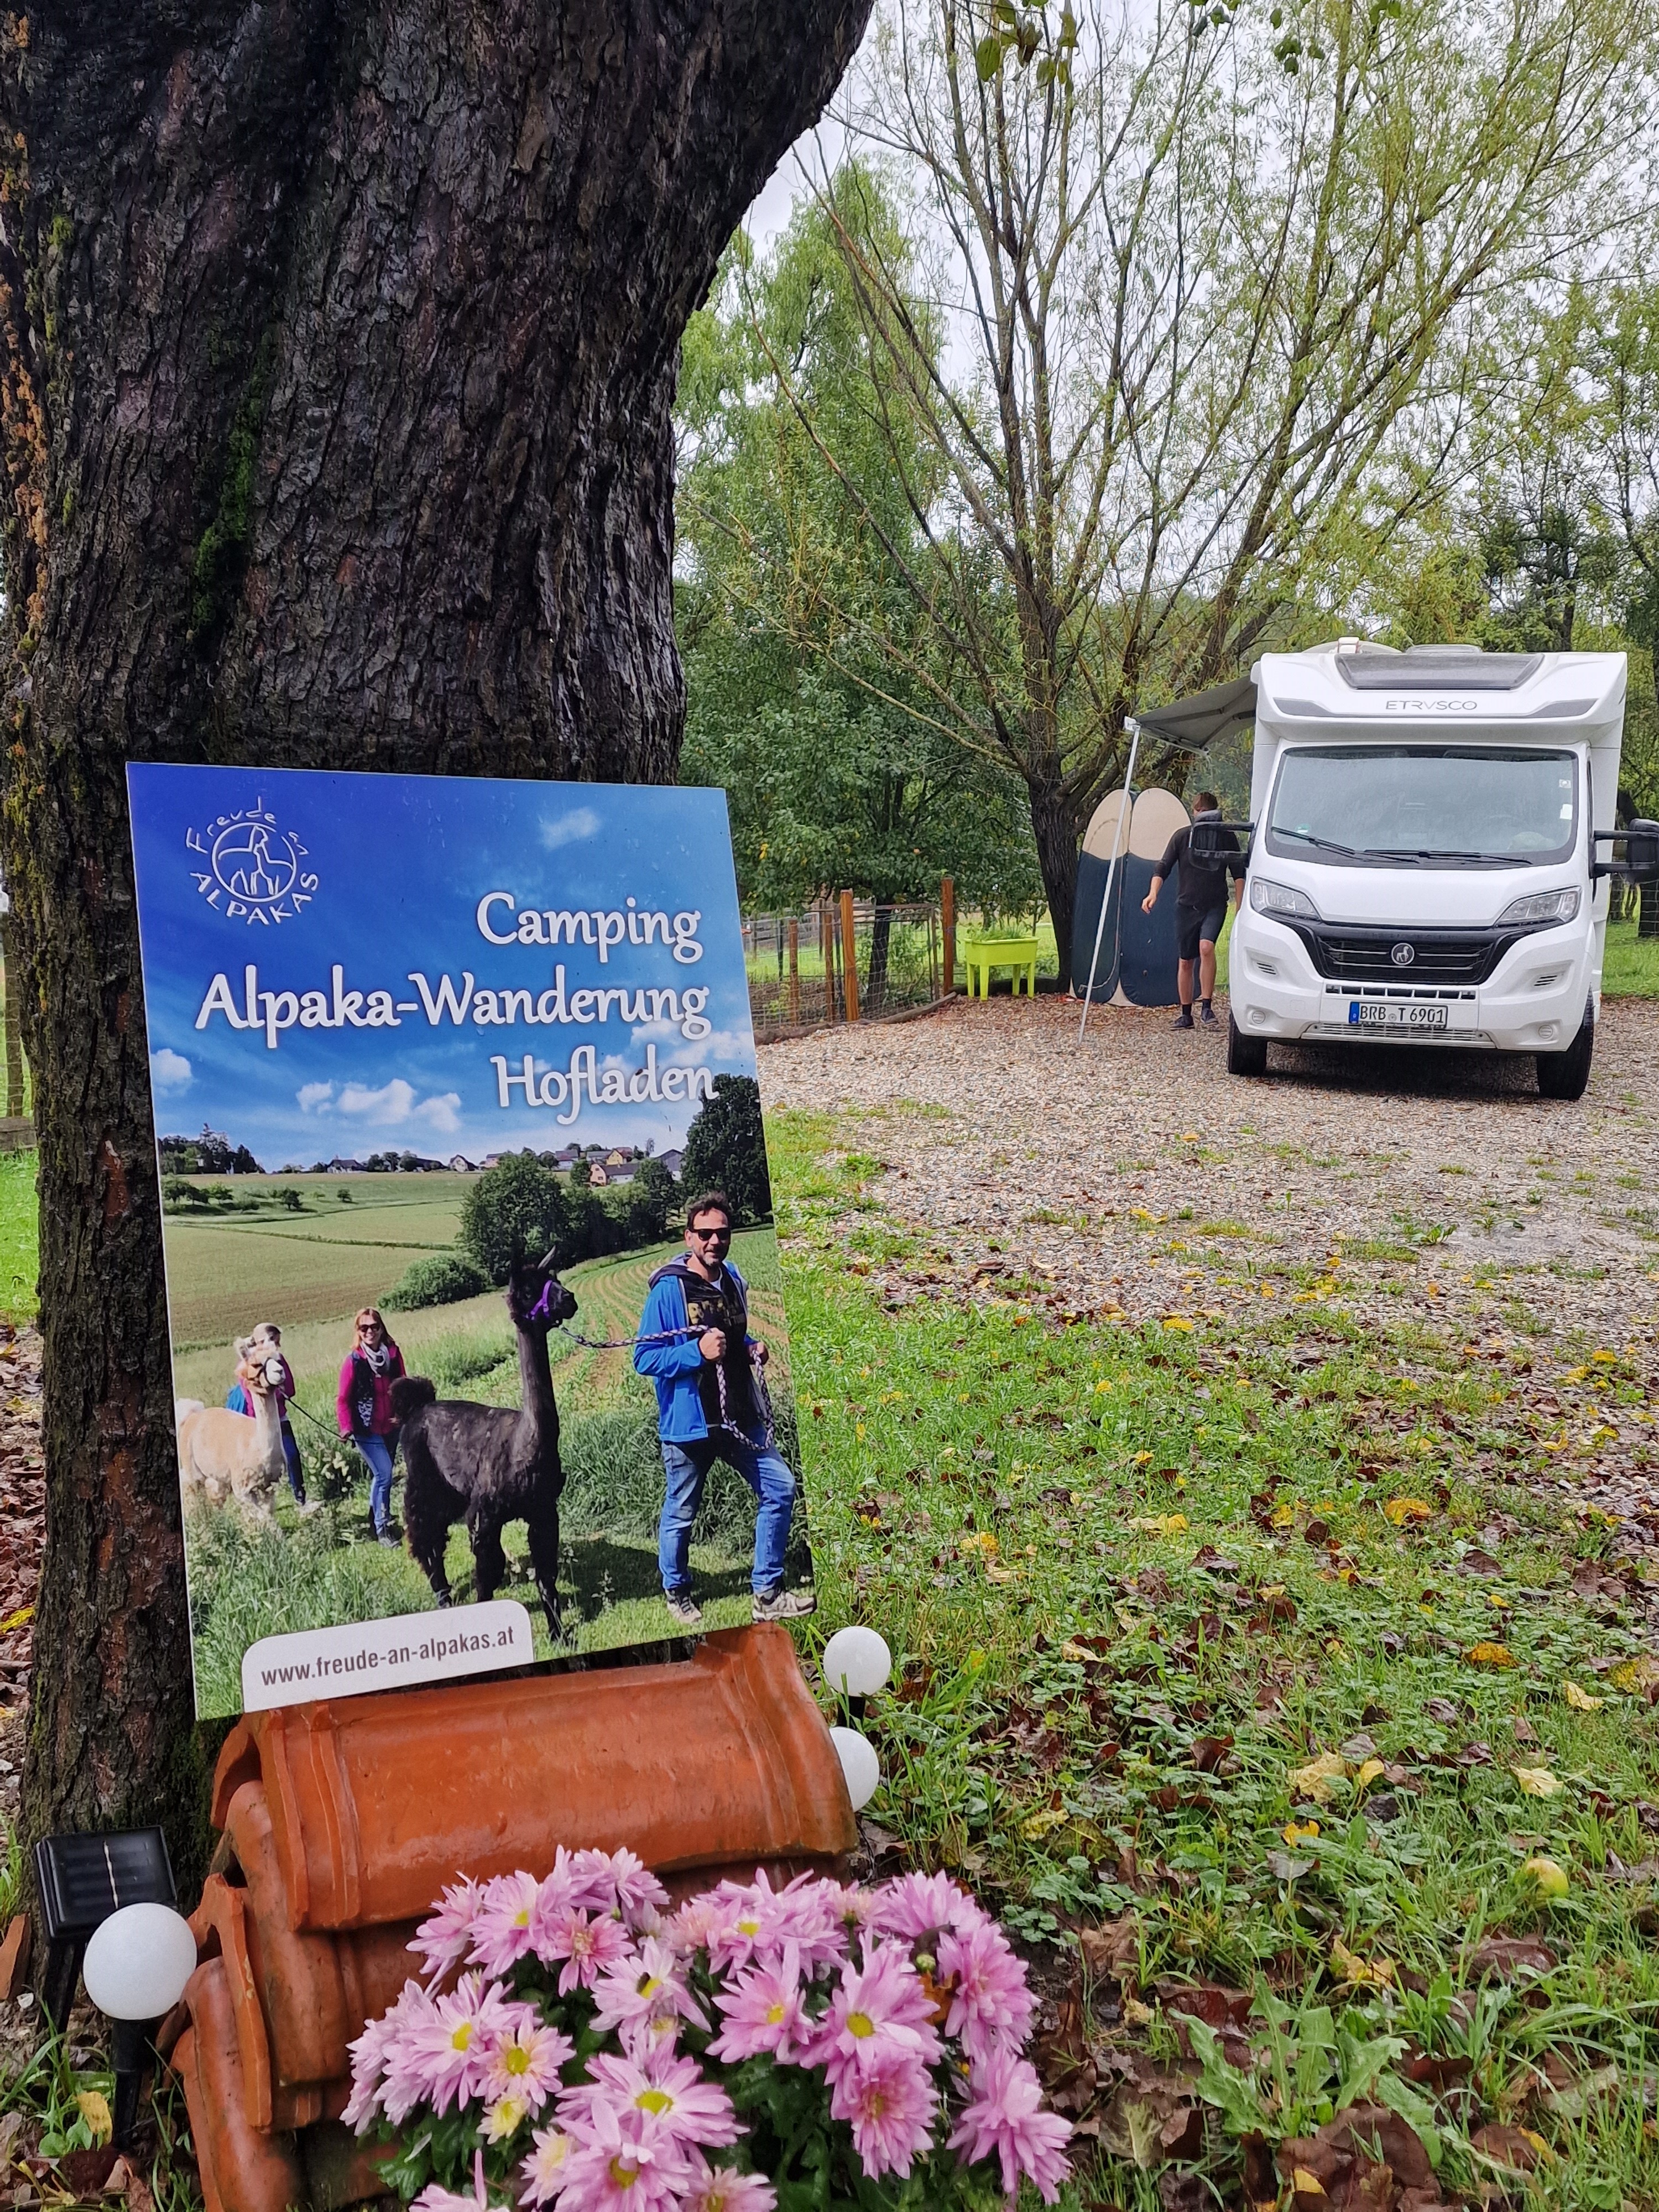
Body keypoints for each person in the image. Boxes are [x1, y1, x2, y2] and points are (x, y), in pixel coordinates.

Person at [634, 1191, 814, 1629]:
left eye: (722, 1233)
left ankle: (767, 1593)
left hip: (739, 1417)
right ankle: (676, 1591)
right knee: (681, 1511)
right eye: (706, 1234)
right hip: (690, 1426)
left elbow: (732, 1337)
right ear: (689, 1237)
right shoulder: (669, 1290)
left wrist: (752, 1347)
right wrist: (695, 1352)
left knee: (781, 1487)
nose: (715, 1241)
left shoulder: (732, 1278)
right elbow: (644, 1359)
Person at [1141, 790, 1243, 1029]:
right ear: (1194, 814)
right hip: (1186, 906)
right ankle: (1186, 1013)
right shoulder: (1182, 837)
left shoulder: (1226, 837)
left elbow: (1239, 873)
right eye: (1199, 812)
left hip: (1215, 905)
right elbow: (1162, 867)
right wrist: (1153, 893)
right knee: (1186, 961)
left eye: (1206, 813)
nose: (1202, 816)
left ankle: (1207, 1007)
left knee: (1206, 947)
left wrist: (1239, 910)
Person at [336, 1307, 406, 1545]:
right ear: (358, 1331)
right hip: (366, 1429)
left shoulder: (394, 1355)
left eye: (374, 1327)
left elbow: (403, 1386)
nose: (370, 1332)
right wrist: (346, 1427)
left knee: (381, 1476)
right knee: (385, 1475)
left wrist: (406, 1414)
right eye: (364, 1328)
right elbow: (343, 1399)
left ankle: (374, 1515)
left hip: (392, 1425)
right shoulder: (354, 1361)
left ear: (381, 1328)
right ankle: (382, 1530)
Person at [226, 1320, 311, 1510]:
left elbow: (291, 1389)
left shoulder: (278, 1361)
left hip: (279, 1418)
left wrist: (278, 1389)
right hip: (256, 1422)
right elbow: (251, 1396)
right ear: (257, 1342)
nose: (275, 1345)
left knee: (292, 1456)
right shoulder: (247, 1368)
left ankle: (300, 1499)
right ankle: (252, 1501)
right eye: (270, 1340)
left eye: (276, 1341)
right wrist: (268, 1390)